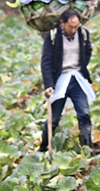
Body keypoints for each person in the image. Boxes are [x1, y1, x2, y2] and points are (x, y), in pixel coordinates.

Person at [40, 9, 96, 153]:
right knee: (54, 117)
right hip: (60, 79)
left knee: (84, 112)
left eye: (76, 26)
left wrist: (82, 67)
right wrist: (48, 85)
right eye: (70, 26)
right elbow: (46, 62)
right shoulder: (52, 36)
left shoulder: (83, 34)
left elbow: (88, 52)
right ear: (62, 23)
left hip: (77, 77)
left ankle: (87, 147)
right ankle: (44, 147)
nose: (74, 29)